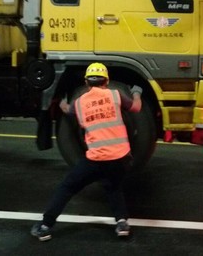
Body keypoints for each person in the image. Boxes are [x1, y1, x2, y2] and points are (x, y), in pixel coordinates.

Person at [31, 62, 143, 241]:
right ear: (106, 81)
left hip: (96, 159)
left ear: (86, 82)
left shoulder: (80, 102)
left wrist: (59, 100)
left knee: (67, 187)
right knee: (113, 187)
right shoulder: (116, 95)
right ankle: (122, 224)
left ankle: (45, 226)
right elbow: (136, 108)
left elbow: (67, 110)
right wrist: (137, 91)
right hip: (121, 158)